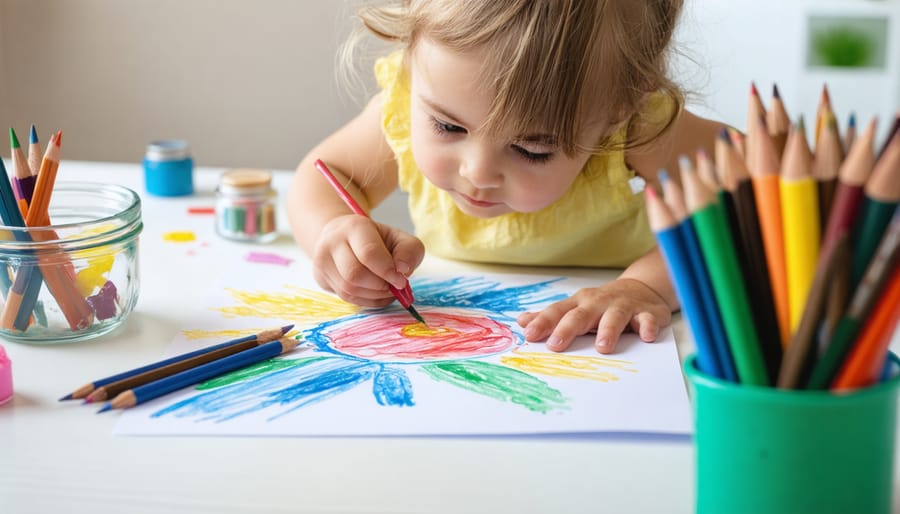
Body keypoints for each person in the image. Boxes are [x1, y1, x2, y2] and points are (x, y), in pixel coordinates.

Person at [287, 0, 725, 354]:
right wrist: (335, 233)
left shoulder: (637, 128)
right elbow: (326, 175)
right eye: (448, 127)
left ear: (618, 112)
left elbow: (745, 198)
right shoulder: (405, 104)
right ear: (411, 59)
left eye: (531, 150)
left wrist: (647, 286)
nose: (477, 173)